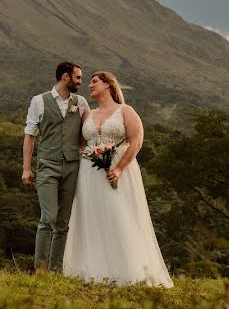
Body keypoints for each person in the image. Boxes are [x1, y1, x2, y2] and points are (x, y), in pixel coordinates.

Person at [63, 71, 173, 287]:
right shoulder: (88, 114)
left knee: (118, 214)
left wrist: (120, 168)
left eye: (95, 82)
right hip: (89, 171)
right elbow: (82, 144)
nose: (90, 85)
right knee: (92, 215)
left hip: (118, 170)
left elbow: (136, 141)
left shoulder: (125, 111)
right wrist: (90, 157)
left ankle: (128, 270)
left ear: (108, 85)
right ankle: (94, 270)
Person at [22, 61, 90, 273]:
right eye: (78, 77)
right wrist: (26, 168)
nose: (81, 81)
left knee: (63, 222)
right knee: (48, 218)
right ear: (66, 77)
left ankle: (55, 270)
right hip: (47, 166)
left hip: (72, 167)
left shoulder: (81, 103)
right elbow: (30, 135)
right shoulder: (39, 101)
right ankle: (40, 269)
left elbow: (87, 133)